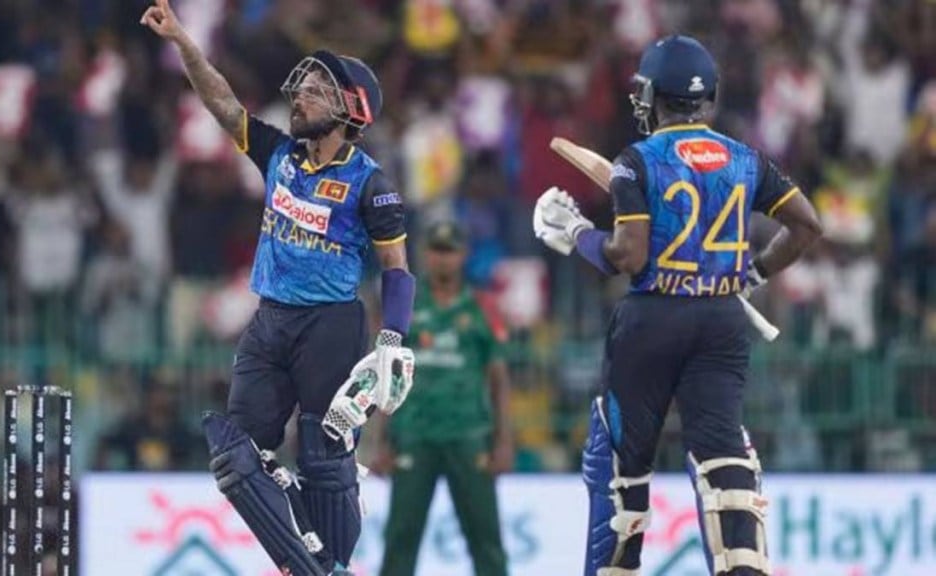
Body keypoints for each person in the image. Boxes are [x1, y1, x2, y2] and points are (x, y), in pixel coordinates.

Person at [142, 1, 417, 574]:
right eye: (302, 87)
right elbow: (220, 102)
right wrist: (182, 42)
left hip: (332, 326)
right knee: (235, 456)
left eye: (316, 90)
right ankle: (318, 568)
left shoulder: (370, 183)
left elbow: (397, 269)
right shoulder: (279, 155)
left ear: (350, 110)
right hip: (270, 320)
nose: (300, 96)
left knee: (326, 463)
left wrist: (392, 339)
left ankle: (325, 563)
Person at [533, 35, 822, 575]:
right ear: (706, 95)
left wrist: (576, 234)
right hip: (721, 321)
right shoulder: (746, 158)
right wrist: (751, 274)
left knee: (620, 467)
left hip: (652, 321)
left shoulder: (637, 161)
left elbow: (628, 255)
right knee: (726, 462)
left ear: (652, 95)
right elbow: (807, 226)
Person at [375, 221, 513, 576]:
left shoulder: (482, 305)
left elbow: (498, 378)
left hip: (468, 436)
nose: (443, 259)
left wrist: (503, 440)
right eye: (437, 250)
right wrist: (380, 441)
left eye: (450, 251)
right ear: (425, 254)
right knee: (400, 539)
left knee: (486, 539)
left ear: (463, 255)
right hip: (414, 434)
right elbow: (384, 372)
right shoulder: (404, 306)